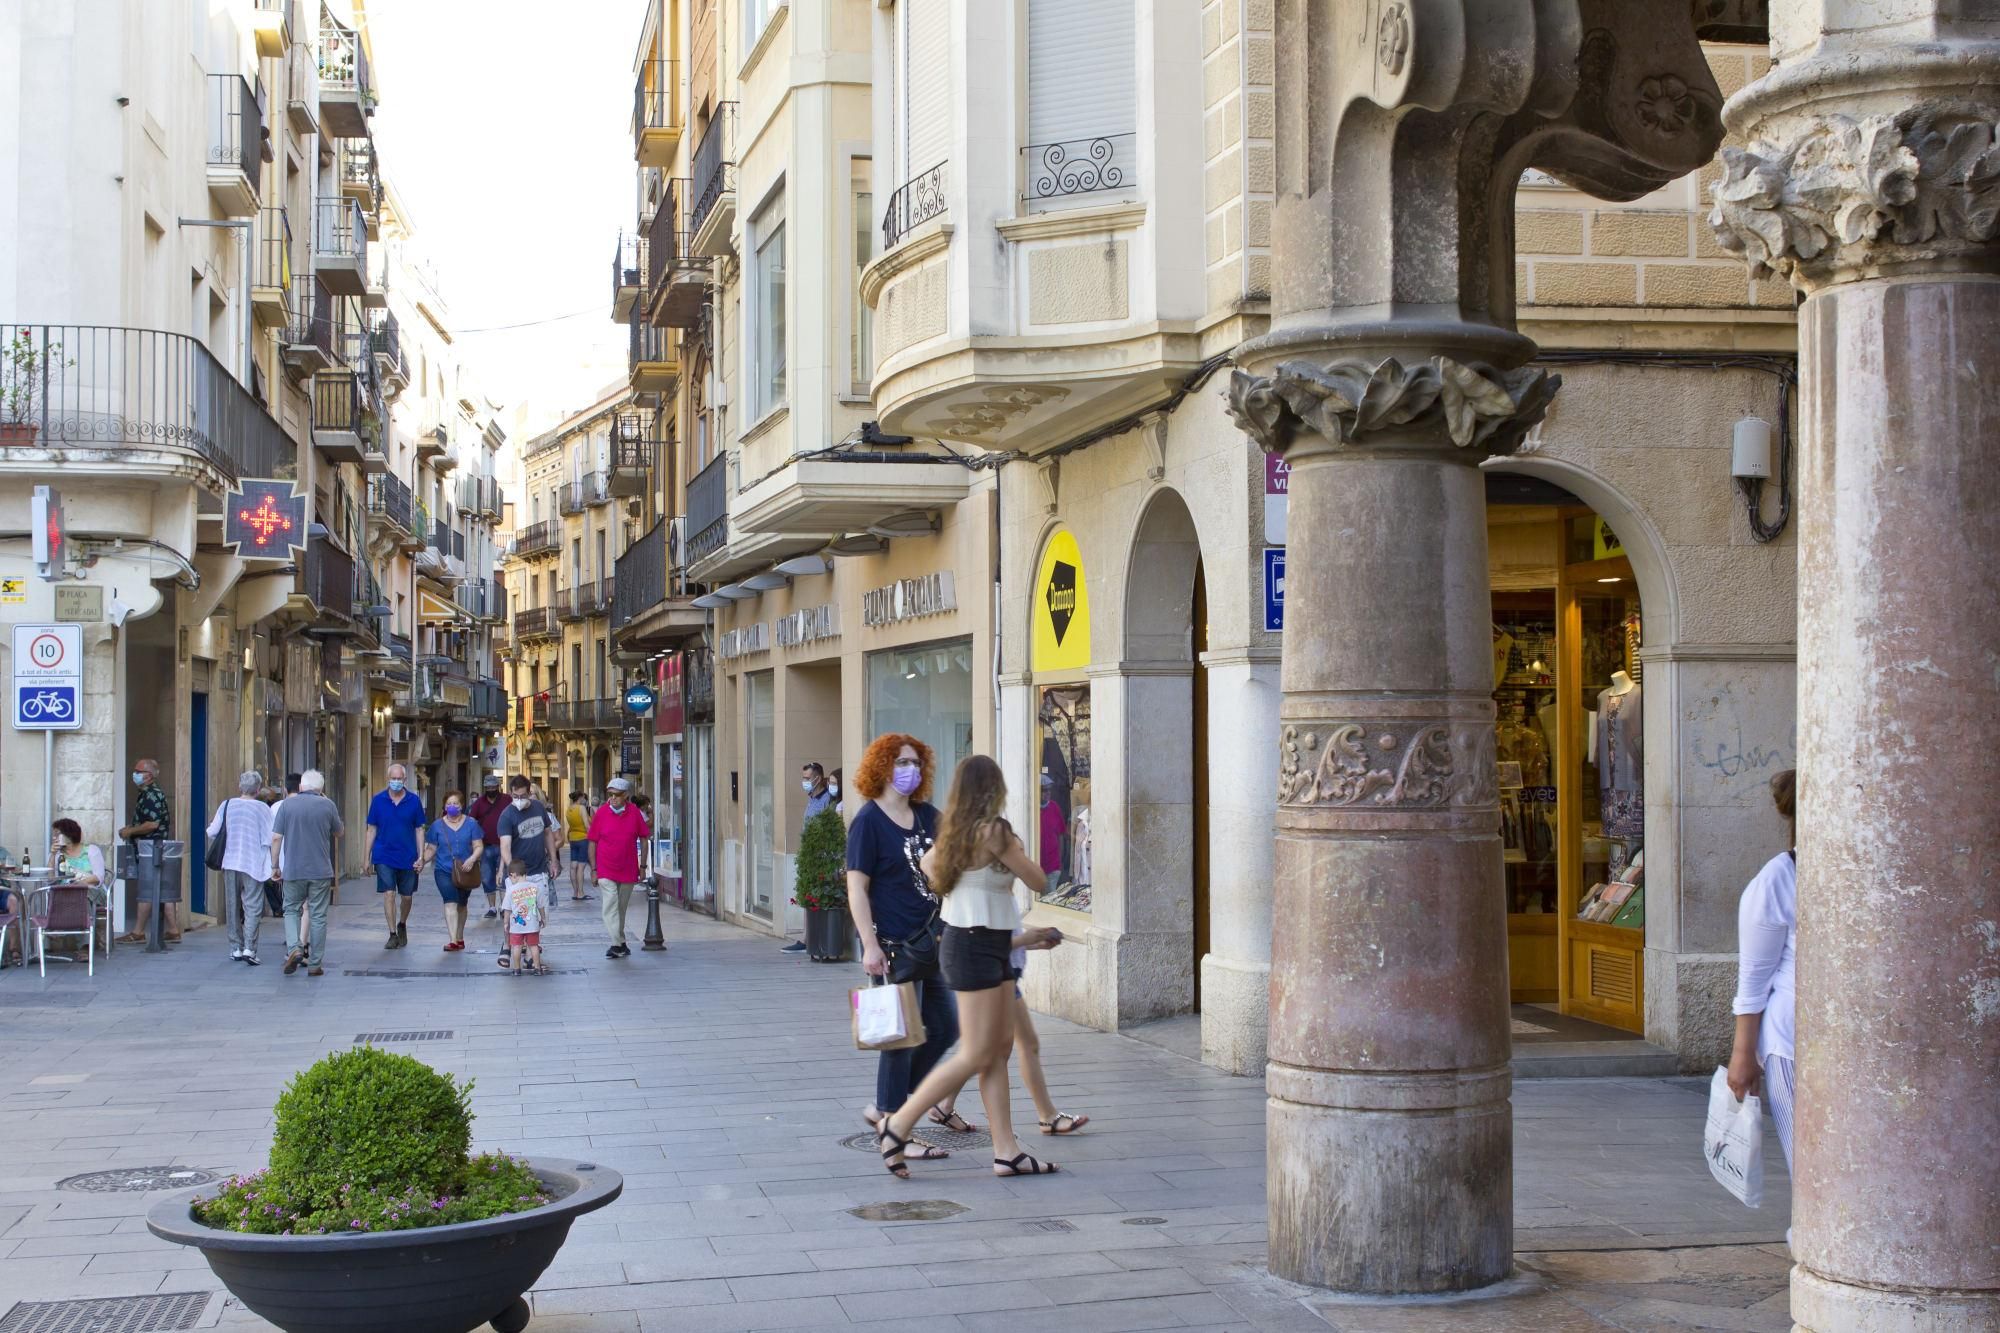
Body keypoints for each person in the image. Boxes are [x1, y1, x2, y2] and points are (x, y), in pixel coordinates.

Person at [876, 755, 1064, 1179]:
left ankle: (1006, 1151)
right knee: (979, 1052)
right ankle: (898, 1124)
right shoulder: (995, 831)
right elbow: (1038, 880)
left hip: (983, 943)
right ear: (994, 789)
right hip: (975, 947)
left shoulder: (953, 835)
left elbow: (929, 869)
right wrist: (1013, 850)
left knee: (997, 1050)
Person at [846, 733, 958, 1163]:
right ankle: (895, 1121)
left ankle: (888, 1107)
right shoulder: (869, 822)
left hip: (934, 939)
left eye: (914, 762)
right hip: (893, 946)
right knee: (899, 1037)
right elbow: (857, 887)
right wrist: (869, 944)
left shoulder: (929, 816)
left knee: (946, 1026)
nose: (908, 770)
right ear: (882, 768)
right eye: (899, 763)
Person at [1728, 768, 1799, 1179]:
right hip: (1791, 1042)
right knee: (1809, 1168)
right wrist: (1743, 1057)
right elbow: (1753, 979)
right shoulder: (1779, 877)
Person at [270, 769, 344, 978]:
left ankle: (295, 947)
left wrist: (275, 865)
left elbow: (276, 837)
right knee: (318, 915)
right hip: (320, 870)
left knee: (291, 910)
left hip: (293, 870)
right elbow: (339, 832)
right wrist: (327, 802)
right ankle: (314, 964)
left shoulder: (287, 805)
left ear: (301, 787)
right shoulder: (327, 805)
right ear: (321, 789)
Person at [206, 770, 276, 964]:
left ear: (240, 787)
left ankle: (235, 947)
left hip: (230, 862)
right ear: (258, 789)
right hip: (254, 863)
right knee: (253, 906)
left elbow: (212, 832)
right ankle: (249, 949)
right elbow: (270, 837)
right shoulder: (262, 809)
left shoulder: (227, 805)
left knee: (232, 905)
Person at [496, 776, 561, 970]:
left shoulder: (539, 808)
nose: (519, 799)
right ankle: (510, 946)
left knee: (536, 915)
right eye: (515, 796)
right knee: (515, 914)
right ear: (511, 793)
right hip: (518, 875)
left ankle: (529, 952)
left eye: (523, 795)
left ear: (529, 792)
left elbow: (548, 834)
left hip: (539, 870)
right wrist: (513, 872)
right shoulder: (507, 816)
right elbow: (505, 846)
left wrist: (554, 860)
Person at [588, 777, 651, 959]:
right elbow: (592, 841)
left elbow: (644, 839)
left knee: (620, 909)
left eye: (617, 795)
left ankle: (621, 943)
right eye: (610, 795)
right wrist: (594, 869)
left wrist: (643, 866)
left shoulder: (634, 813)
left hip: (628, 868)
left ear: (626, 796)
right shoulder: (601, 813)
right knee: (610, 905)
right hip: (606, 868)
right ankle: (616, 944)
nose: (613, 798)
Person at [365, 764, 427, 950]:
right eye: (394, 778)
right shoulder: (378, 801)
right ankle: (392, 933)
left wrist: (421, 856)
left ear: (405, 780)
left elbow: (419, 829)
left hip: (408, 856)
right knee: (389, 893)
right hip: (384, 854)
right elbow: (371, 829)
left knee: (406, 897)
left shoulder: (414, 801)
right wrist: (366, 857)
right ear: (388, 778)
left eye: (400, 779)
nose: (396, 782)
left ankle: (402, 924)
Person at [117, 756, 177, 944]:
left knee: (147, 889)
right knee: (163, 889)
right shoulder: (148, 793)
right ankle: (174, 930)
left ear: (149, 775)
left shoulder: (151, 794)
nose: (134, 774)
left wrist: (129, 831)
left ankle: (138, 931)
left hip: (150, 849)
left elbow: (152, 823)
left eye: (138, 771)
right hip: (154, 848)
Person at [783, 763, 838, 953]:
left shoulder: (826, 800)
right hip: (809, 856)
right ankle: (807, 937)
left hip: (821, 857)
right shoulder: (811, 798)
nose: (805, 782)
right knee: (808, 897)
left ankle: (809, 939)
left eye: (807, 778)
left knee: (815, 897)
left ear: (817, 778)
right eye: (803, 778)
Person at [421, 791, 483, 952]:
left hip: (466, 870)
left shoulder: (471, 824)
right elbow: (431, 848)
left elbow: (478, 846)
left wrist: (472, 859)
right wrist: (421, 861)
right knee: (450, 902)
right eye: (449, 803)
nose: (452, 806)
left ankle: (460, 936)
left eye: (455, 803)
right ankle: (453, 940)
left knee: (462, 904)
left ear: (462, 805)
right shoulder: (437, 826)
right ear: (444, 806)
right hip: (444, 870)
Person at [47, 818, 109, 954]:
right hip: (65, 892)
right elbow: (50, 880)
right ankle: (54, 930)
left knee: (80, 896)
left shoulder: (91, 850)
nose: (54, 837)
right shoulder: (58, 854)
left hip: (91, 891)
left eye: (57, 834)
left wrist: (78, 885)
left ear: (68, 835)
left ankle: (84, 946)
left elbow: (98, 877)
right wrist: (52, 855)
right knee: (53, 894)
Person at [468, 773, 509, 920]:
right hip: (485, 846)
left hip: (505, 845)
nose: (491, 789)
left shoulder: (506, 800)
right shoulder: (478, 803)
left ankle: (504, 907)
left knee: (505, 876)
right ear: (485, 788)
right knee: (487, 877)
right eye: (488, 787)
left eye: (493, 787)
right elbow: (471, 822)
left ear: (498, 787)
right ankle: (492, 907)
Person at [503, 858, 548, 976]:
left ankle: (517, 969)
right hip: (532, 925)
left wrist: (506, 923)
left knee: (516, 947)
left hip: (516, 926)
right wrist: (543, 917)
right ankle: (537, 969)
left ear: (513, 875)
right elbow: (541, 905)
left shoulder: (511, 890)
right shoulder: (534, 887)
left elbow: (507, 909)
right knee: (533, 946)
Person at [565, 791, 594, 901]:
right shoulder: (581, 808)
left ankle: (575, 892)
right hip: (583, 838)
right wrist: (593, 837)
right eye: (584, 798)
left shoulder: (569, 809)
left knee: (573, 866)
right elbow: (587, 825)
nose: (585, 800)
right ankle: (581, 893)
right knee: (581, 867)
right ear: (581, 797)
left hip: (573, 838)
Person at [1037, 773, 1064, 882]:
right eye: (1044, 790)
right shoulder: (1032, 810)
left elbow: (1060, 835)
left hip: (1053, 866)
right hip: (1036, 865)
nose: (1048, 793)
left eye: (1049, 790)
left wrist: (1060, 860)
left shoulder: (1054, 807)